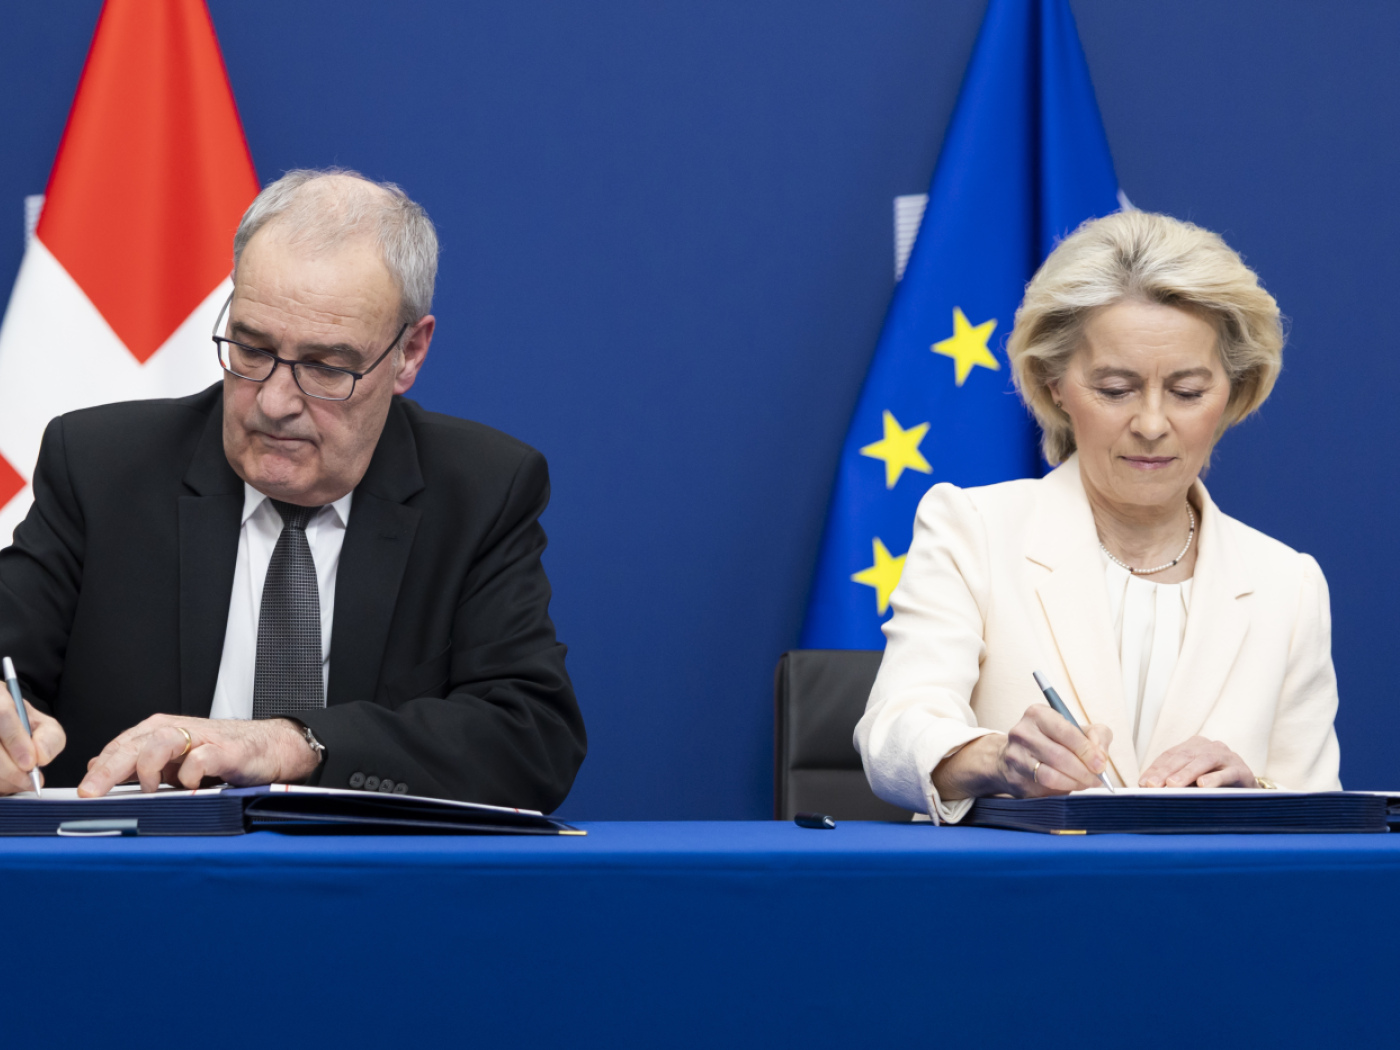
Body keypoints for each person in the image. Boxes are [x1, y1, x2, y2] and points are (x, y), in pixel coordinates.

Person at [0, 169, 586, 809]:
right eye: (251, 350)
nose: (275, 402)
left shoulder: (479, 491)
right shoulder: (101, 468)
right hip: (136, 885)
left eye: (326, 366)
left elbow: (531, 738)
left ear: (410, 354)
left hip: (366, 893)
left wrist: (292, 743)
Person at [855, 210, 1340, 823]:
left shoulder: (1287, 584)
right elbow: (893, 733)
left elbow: (1321, 815)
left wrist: (1257, 793)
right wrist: (999, 756)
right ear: (1054, 383)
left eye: (1188, 392)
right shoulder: (972, 527)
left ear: (1234, 392)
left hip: (1210, 910)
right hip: (1016, 904)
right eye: (1115, 389)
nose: (1152, 423)